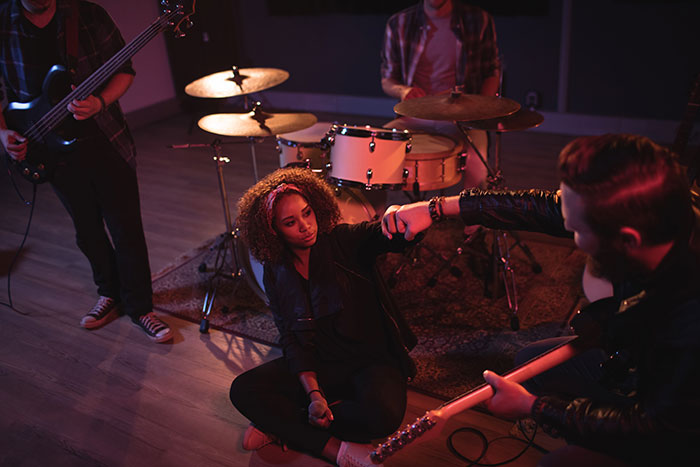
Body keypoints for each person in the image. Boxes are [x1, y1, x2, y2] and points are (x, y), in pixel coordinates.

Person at [382, 134, 700, 466]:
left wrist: (534, 408)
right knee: (531, 362)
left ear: (627, 240)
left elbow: (656, 426)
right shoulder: (663, 210)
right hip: (644, 364)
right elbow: (547, 207)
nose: (569, 231)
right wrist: (435, 208)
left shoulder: (686, 315)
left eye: (576, 230)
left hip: (677, 434)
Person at [0, 0, 172, 343]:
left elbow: (125, 70)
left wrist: (100, 101)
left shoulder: (86, 13)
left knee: (126, 230)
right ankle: (108, 293)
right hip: (46, 145)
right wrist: (3, 133)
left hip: (105, 138)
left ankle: (141, 308)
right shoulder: (3, 22)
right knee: (87, 230)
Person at [229, 167, 418, 467]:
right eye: (290, 222)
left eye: (307, 213)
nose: (305, 226)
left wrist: (401, 218)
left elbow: (383, 236)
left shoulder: (343, 240)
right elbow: (291, 339)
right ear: (273, 231)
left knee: (383, 416)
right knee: (242, 389)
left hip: (372, 360)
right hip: (322, 363)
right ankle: (334, 449)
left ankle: (282, 423)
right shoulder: (276, 272)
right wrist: (314, 393)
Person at [380, 0, 501, 194]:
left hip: (461, 117)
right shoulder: (399, 23)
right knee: (373, 151)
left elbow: (492, 71)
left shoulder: (478, 20)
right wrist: (404, 91)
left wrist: (481, 111)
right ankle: (373, 220)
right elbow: (387, 80)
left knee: (476, 162)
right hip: (414, 116)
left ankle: (473, 223)